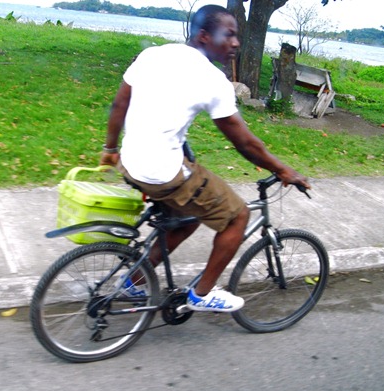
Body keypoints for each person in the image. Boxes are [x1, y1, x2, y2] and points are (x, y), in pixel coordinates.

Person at [100, 4, 310, 312]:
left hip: (130, 162)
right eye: (229, 34)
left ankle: (133, 283)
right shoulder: (212, 80)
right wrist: (283, 170)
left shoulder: (152, 55)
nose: (236, 43)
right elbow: (244, 143)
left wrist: (109, 150)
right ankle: (202, 294)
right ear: (203, 36)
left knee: (187, 218)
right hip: (162, 172)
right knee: (237, 216)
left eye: (237, 35)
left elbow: (119, 105)